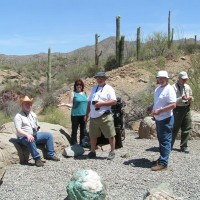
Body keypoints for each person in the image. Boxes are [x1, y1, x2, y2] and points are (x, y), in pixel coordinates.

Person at [14, 96, 60, 167]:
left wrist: (39, 133)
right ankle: (37, 159)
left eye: (29, 103)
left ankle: (50, 154)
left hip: (35, 135)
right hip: (23, 137)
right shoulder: (18, 116)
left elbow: (37, 126)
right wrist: (27, 135)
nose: (28, 105)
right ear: (22, 105)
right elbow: (18, 130)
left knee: (49, 135)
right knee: (30, 140)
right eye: (26, 103)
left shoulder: (33, 114)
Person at [147, 70, 176, 171]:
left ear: (167, 79)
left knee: (165, 140)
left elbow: (173, 105)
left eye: (163, 78)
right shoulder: (158, 89)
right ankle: (162, 158)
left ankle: (164, 163)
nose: (161, 80)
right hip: (159, 118)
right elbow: (157, 102)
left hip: (166, 118)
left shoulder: (170, 89)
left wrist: (160, 110)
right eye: (160, 78)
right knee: (161, 139)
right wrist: (151, 107)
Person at [85, 72, 117, 160]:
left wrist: (102, 104)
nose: (99, 79)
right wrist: (87, 113)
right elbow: (89, 102)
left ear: (105, 79)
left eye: (101, 78)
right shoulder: (94, 88)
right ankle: (92, 151)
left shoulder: (109, 88)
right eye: (98, 78)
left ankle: (112, 151)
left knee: (110, 135)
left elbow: (114, 101)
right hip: (93, 116)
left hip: (105, 115)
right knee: (92, 135)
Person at [58, 79, 88, 146]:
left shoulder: (85, 93)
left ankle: (82, 143)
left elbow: (87, 103)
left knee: (83, 130)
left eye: (80, 85)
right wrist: (64, 104)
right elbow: (71, 104)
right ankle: (74, 143)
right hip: (75, 115)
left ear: (82, 86)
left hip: (84, 115)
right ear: (75, 86)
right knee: (75, 129)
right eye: (77, 85)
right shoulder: (73, 93)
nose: (79, 86)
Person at [171, 71, 193, 153]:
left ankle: (184, 146)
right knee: (174, 128)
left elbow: (191, 95)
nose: (184, 81)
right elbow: (171, 101)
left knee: (187, 127)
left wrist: (190, 98)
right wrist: (181, 98)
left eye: (185, 79)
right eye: (183, 79)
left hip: (186, 108)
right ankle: (169, 146)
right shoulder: (173, 87)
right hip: (177, 109)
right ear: (179, 78)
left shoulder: (187, 87)